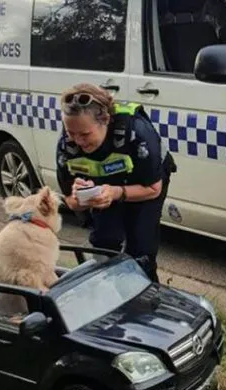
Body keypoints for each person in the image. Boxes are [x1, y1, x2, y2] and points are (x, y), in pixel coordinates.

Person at [55, 83, 176, 282]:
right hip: (105, 183)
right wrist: (81, 197)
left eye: (85, 134)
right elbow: (69, 199)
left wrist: (116, 192)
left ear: (105, 121)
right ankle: (108, 291)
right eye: (71, 133)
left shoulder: (137, 132)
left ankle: (147, 297)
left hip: (144, 183)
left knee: (140, 248)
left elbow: (153, 189)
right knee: (104, 241)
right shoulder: (67, 145)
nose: (78, 141)